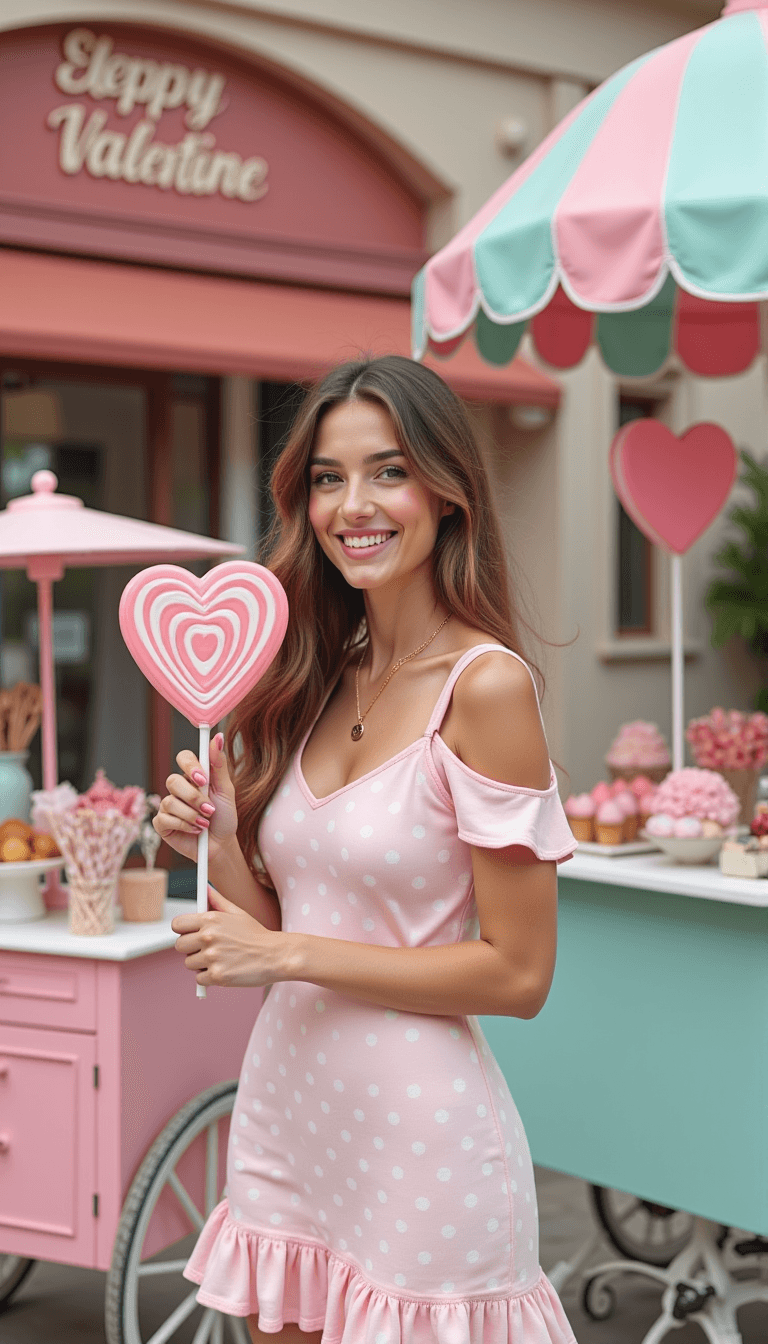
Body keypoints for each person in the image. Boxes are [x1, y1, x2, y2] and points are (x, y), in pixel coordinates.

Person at [156, 355, 578, 1344]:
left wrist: (287, 956)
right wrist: (216, 837)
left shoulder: (485, 688)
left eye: (389, 471)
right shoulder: (318, 677)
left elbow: (519, 974)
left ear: (446, 492)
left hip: (419, 1148)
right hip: (286, 1120)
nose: (355, 504)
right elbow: (278, 927)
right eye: (327, 477)